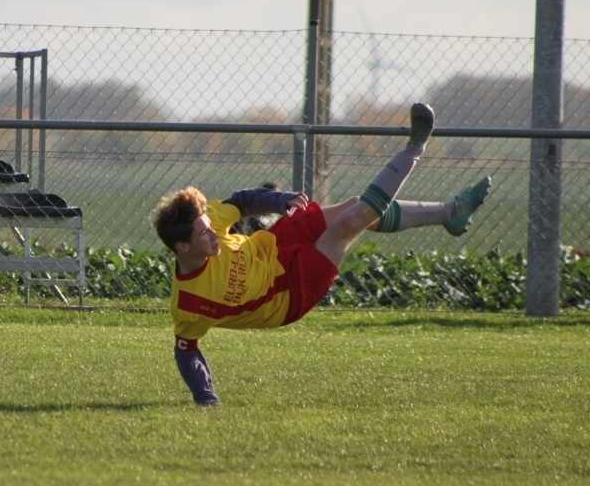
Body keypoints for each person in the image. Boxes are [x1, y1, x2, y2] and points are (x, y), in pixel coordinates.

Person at [153, 103, 492, 406]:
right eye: (203, 233)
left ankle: (450, 213)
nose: (213, 231)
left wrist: (280, 200)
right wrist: (205, 397)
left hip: (274, 245)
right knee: (351, 222)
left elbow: (240, 202)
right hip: (288, 296)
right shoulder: (188, 304)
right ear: (182, 247)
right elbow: (187, 349)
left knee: (352, 208)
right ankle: (416, 146)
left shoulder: (207, 223)